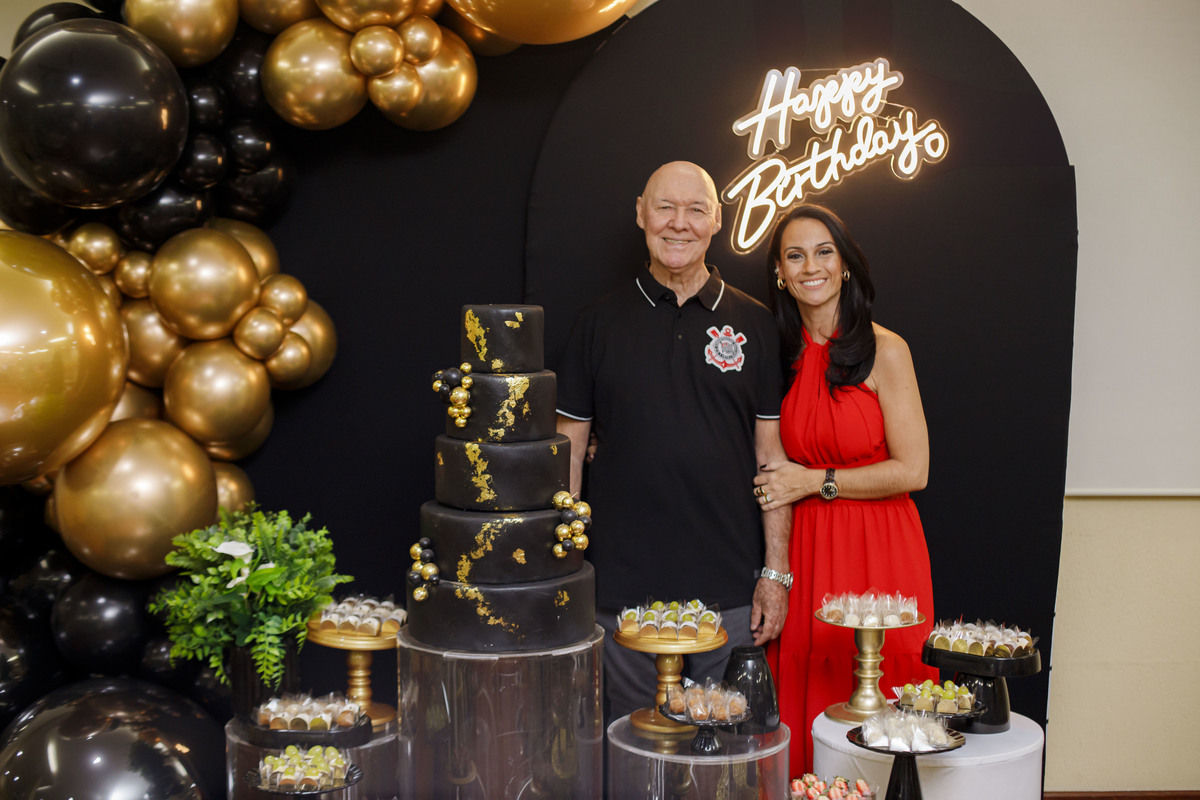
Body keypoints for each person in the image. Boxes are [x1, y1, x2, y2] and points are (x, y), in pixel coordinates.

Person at [555, 161, 792, 725]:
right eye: (665, 207)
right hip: (620, 592)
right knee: (632, 747)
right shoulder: (597, 323)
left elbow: (772, 461)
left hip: (730, 593)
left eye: (695, 210)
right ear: (641, 214)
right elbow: (568, 454)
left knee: (726, 756)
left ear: (717, 221)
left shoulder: (756, 324)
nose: (678, 223)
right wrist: (566, 568)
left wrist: (774, 574)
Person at [752, 203, 938, 772]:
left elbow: (914, 470)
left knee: (882, 699)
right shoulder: (774, 355)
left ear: (846, 265)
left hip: (880, 548)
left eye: (824, 252)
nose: (811, 266)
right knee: (809, 686)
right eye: (795, 255)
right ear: (780, 273)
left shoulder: (886, 350)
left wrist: (816, 480)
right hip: (805, 551)